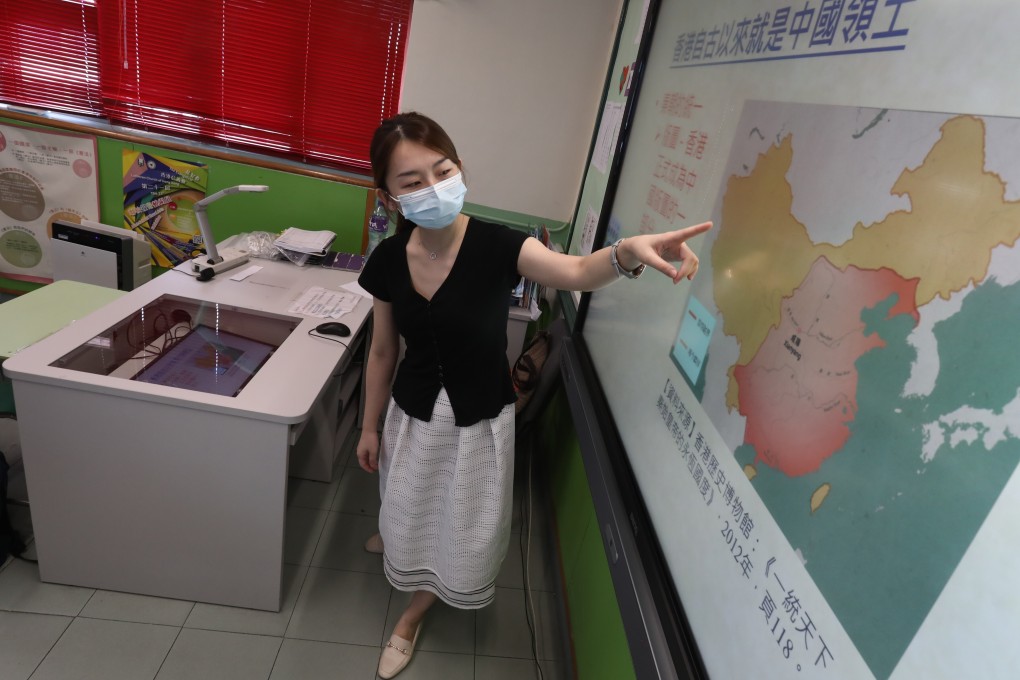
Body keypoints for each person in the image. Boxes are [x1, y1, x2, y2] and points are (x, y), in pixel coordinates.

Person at [356, 111, 710, 679]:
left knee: (462, 516)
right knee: (407, 497)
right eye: (412, 181)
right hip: (413, 414)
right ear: (388, 196)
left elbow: (574, 272)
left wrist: (626, 253)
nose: (433, 187)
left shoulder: (501, 244)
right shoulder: (388, 261)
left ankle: (414, 610)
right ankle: (400, 542)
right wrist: (371, 426)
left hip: (476, 421)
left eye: (442, 171)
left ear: (460, 169)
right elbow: (381, 352)